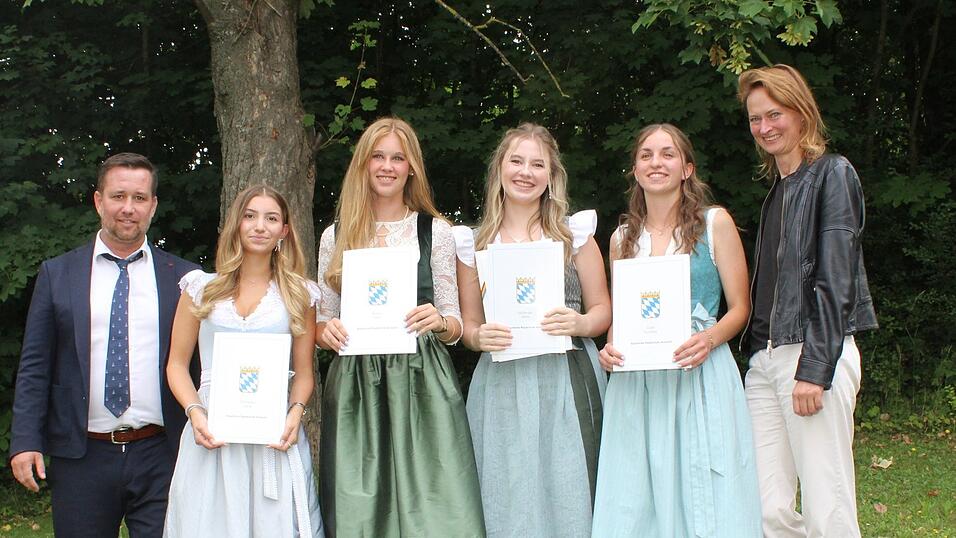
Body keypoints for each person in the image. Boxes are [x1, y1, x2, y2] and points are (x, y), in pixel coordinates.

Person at [9, 153, 200, 536]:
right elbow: (35, 365)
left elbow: (202, 363)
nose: (128, 208)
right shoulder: (58, 274)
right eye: (118, 196)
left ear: (153, 205)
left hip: (163, 454)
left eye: (139, 198)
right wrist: (25, 440)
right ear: (98, 201)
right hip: (81, 456)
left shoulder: (185, 279)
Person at [315, 117, 485, 537]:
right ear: (363, 164)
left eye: (398, 158)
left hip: (421, 376)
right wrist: (326, 331)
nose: (387, 166)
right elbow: (322, 321)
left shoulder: (436, 231)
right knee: (360, 505)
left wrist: (438, 321)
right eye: (378, 156)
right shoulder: (335, 235)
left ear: (411, 168)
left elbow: (456, 322)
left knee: (435, 502)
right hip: (356, 382)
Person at [592, 124, 762, 537]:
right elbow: (621, 319)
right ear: (635, 170)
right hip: (639, 384)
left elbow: (741, 308)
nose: (656, 162)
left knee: (705, 485)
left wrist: (708, 339)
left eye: (668, 154)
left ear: (687, 168)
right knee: (637, 492)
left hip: (700, 372)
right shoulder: (621, 239)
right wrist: (610, 349)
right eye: (646, 155)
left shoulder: (714, 223)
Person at [738, 64, 878, 538]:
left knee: (826, 507)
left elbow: (837, 280)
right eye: (755, 118)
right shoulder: (777, 192)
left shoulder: (832, 174)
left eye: (774, 114)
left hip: (812, 355)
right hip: (764, 362)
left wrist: (815, 369)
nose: (764, 127)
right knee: (766, 509)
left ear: (801, 113)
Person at [453, 122, 610, 537]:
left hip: (567, 376)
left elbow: (602, 310)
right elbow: (470, 325)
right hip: (503, 379)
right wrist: (477, 337)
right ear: (499, 169)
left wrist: (581, 323)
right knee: (508, 486)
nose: (526, 172)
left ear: (552, 175)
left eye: (538, 164)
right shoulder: (474, 243)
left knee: (571, 482)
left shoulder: (574, 234)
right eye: (516, 161)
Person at [163, 185, 324, 537]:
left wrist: (295, 413)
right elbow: (176, 365)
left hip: (272, 432)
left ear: (284, 230)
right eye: (250, 216)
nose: (260, 226)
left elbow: (304, 373)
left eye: (271, 218)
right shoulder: (200, 289)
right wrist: (195, 412)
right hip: (212, 429)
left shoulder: (300, 295)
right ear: (237, 223)